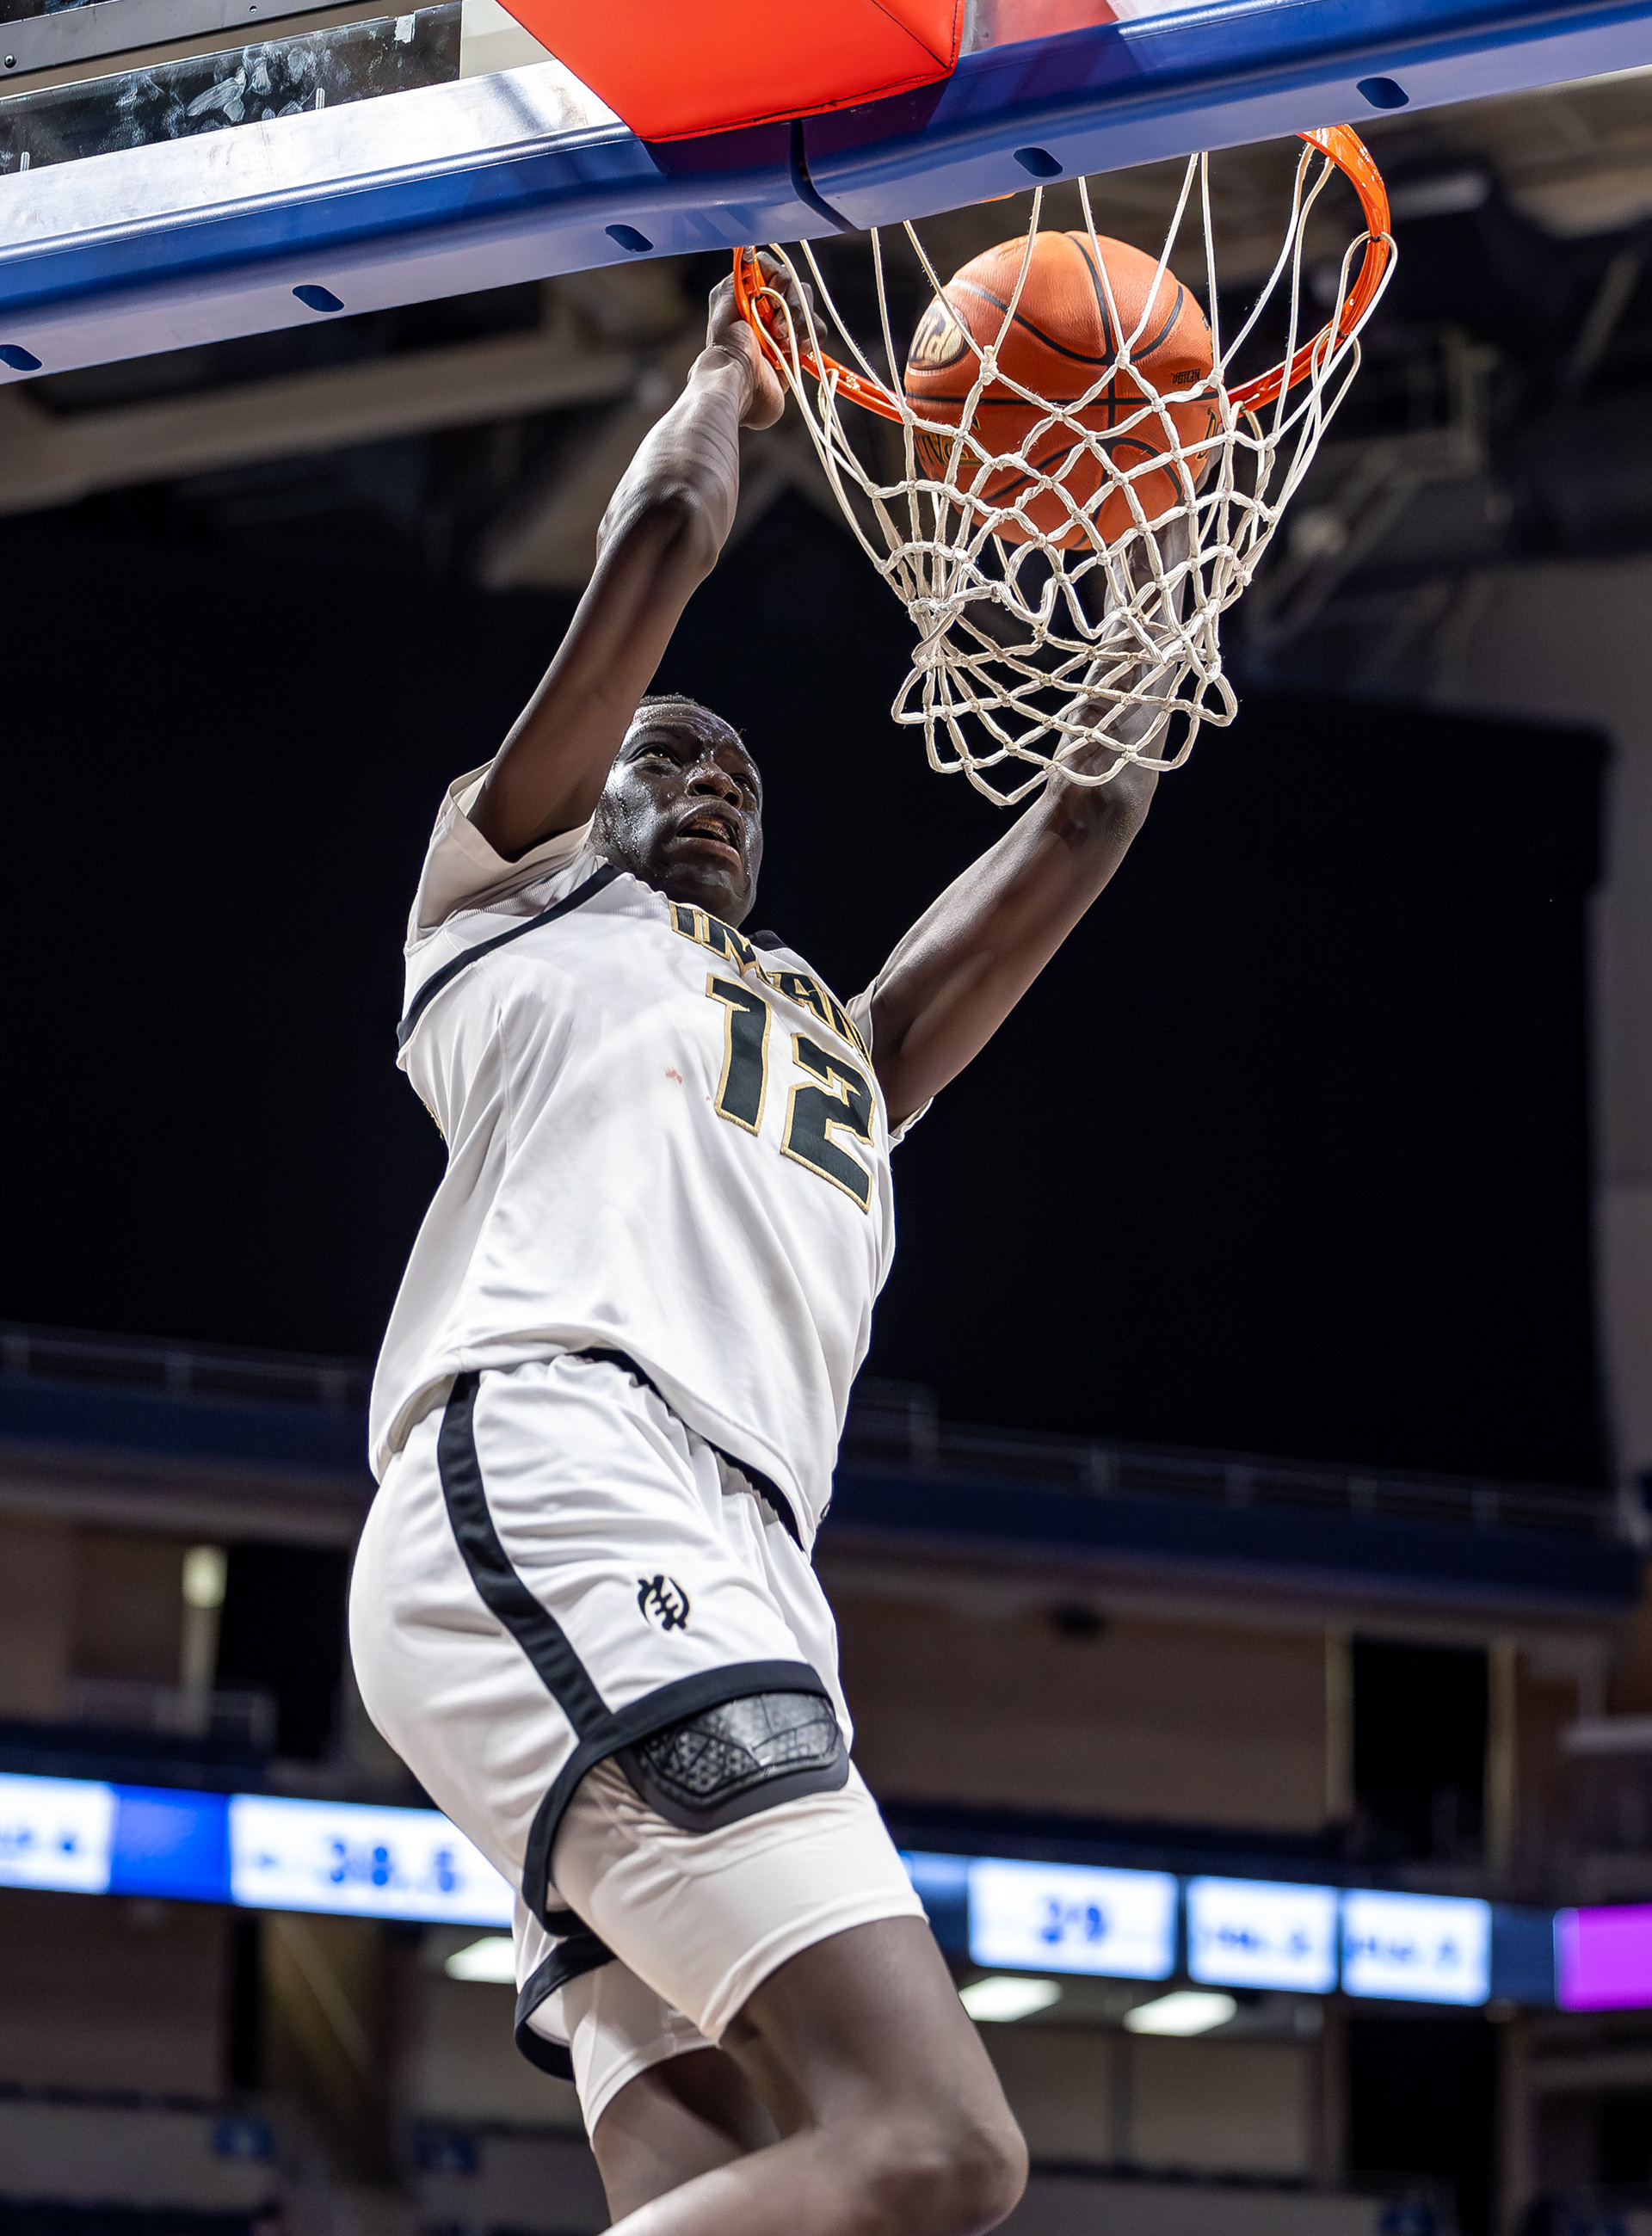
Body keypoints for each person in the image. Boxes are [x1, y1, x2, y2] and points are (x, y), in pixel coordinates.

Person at [349, 257, 1165, 2236]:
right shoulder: (507, 907)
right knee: (940, 2147)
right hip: (569, 1470)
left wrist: (1156, 552)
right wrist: (731, 373)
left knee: (757, 2183)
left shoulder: (839, 1050)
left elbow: (1084, 823)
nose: (709, 780)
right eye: (669, 756)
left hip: (737, 1559)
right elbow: (660, 542)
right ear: (581, 804)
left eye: (742, 777)